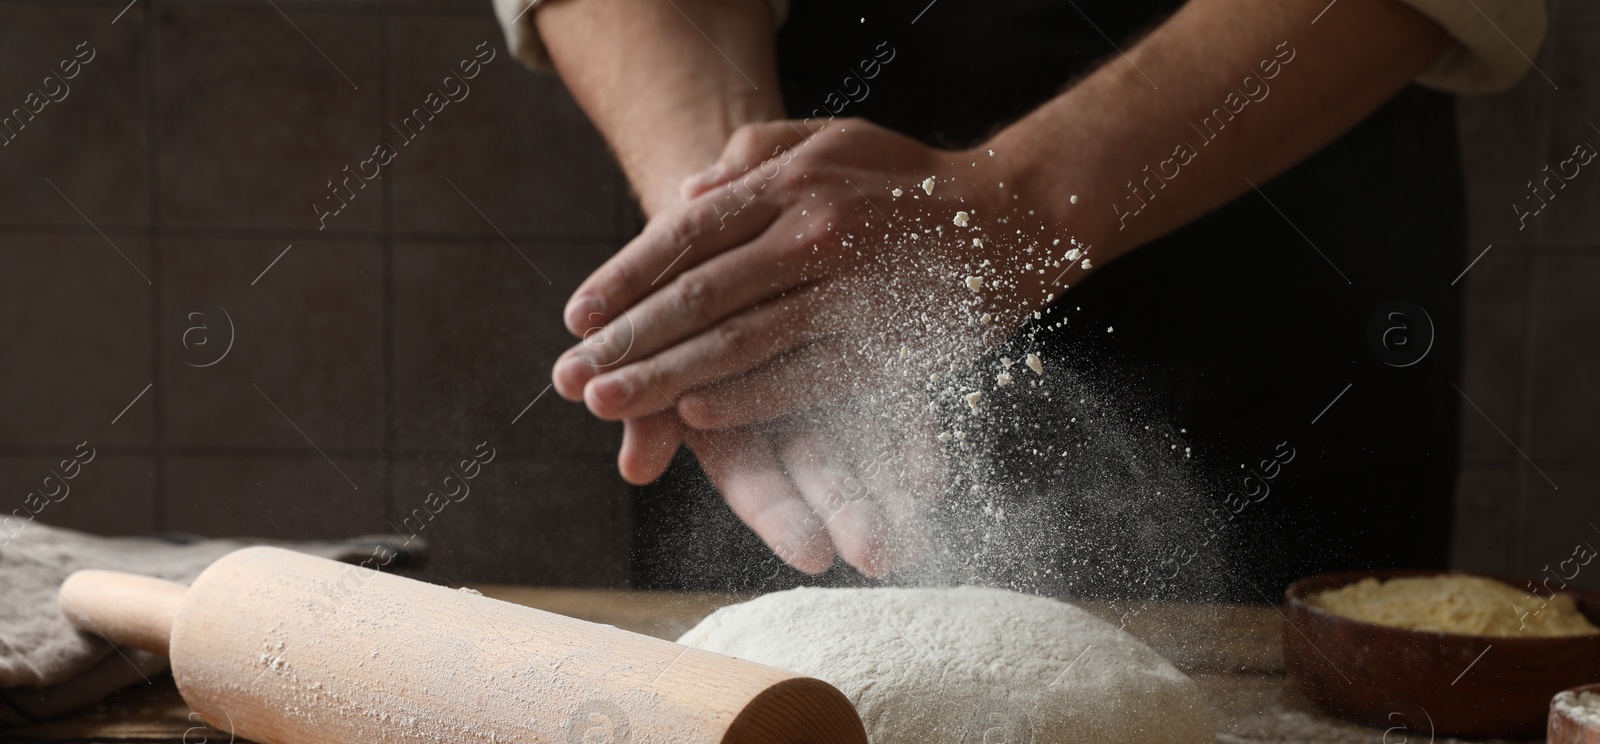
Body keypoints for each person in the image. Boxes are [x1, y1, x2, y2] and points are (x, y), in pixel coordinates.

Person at [494, 0, 1545, 598]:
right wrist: (733, 218)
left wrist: (1025, 203)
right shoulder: (765, 252)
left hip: (1272, 190)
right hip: (804, 277)